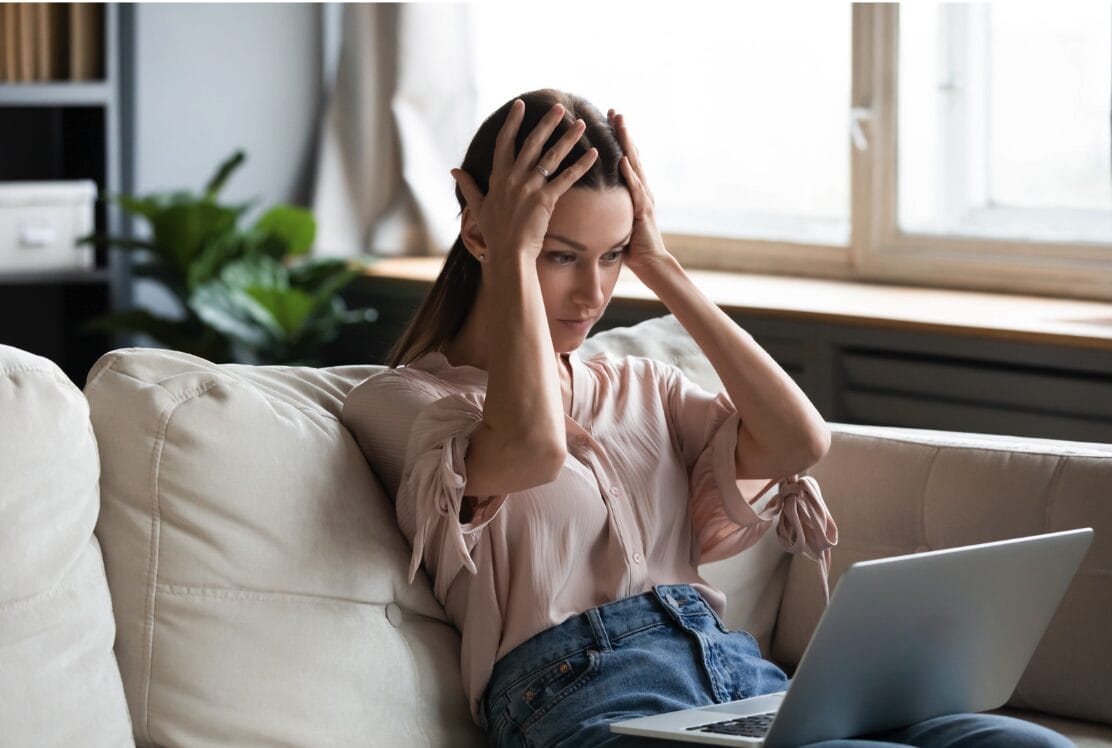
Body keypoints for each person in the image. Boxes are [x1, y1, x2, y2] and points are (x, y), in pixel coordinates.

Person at [341, 89, 1071, 748]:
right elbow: (530, 449)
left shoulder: (642, 385)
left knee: (1022, 746)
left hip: (733, 673)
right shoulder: (402, 405)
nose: (594, 293)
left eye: (614, 256)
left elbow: (799, 441)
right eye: (559, 256)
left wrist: (661, 266)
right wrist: (515, 252)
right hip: (583, 701)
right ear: (480, 235)